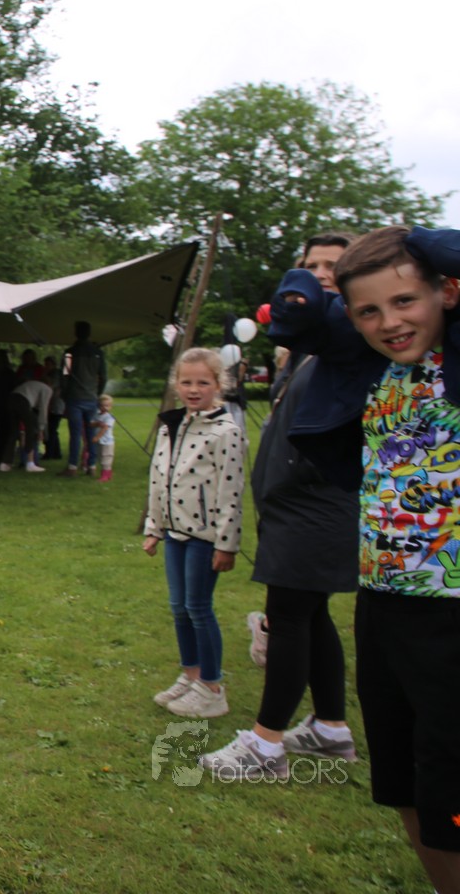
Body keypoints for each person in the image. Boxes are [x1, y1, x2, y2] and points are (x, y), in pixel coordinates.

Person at [267, 225, 460, 886]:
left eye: (405, 301)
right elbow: (296, 315)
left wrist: (410, 240)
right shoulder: (368, 367)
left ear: (447, 292)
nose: (390, 323)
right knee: (403, 784)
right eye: (369, 311)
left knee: (451, 794)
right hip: (383, 604)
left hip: (453, 614)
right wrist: (324, 285)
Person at [199, 232, 358, 783]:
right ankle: (331, 727)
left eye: (334, 265)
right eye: (312, 265)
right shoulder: (316, 343)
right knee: (312, 615)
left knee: (287, 617)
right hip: (295, 504)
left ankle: (264, 746)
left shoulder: (353, 335)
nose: (321, 274)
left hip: (317, 503)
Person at [144, 347, 245, 719]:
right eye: (186, 382)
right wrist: (154, 527)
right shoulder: (170, 426)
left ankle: (212, 687)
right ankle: (191, 675)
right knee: (179, 608)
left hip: (205, 536)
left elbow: (231, 492)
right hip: (175, 533)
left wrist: (226, 544)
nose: (193, 389)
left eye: (203, 382)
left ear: (218, 385)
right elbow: (159, 479)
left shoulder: (226, 432)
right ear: (176, 384)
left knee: (199, 608)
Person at [61, 320, 107, 476]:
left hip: (74, 397)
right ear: (89, 333)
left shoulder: (69, 353)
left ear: (75, 333)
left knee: (75, 434)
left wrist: (65, 394)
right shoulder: (98, 353)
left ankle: (72, 466)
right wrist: (97, 393)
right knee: (90, 432)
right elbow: (104, 377)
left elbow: (65, 376)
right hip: (91, 397)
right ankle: (92, 466)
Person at [0, 373, 50, 472]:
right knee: (30, 430)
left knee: (13, 432)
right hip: (23, 402)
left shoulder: (31, 384)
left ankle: (5, 463)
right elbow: (43, 409)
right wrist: (41, 429)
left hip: (11, 399)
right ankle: (30, 462)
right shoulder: (47, 389)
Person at [42, 355, 65, 459]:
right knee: (52, 430)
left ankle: (50, 453)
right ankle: (56, 453)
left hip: (56, 405)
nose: (46, 366)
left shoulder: (56, 374)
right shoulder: (54, 374)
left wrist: (44, 376)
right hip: (52, 405)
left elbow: (51, 386)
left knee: (51, 429)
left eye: (48, 364)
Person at [90, 393, 116, 482]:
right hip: (100, 441)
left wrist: (97, 437)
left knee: (106, 458)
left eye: (107, 406)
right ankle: (108, 474)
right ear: (99, 406)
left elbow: (105, 428)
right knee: (100, 457)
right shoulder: (97, 415)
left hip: (107, 441)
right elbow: (91, 424)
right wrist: (97, 423)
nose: (105, 407)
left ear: (111, 406)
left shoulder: (109, 417)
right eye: (102, 405)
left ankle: (105, 476)